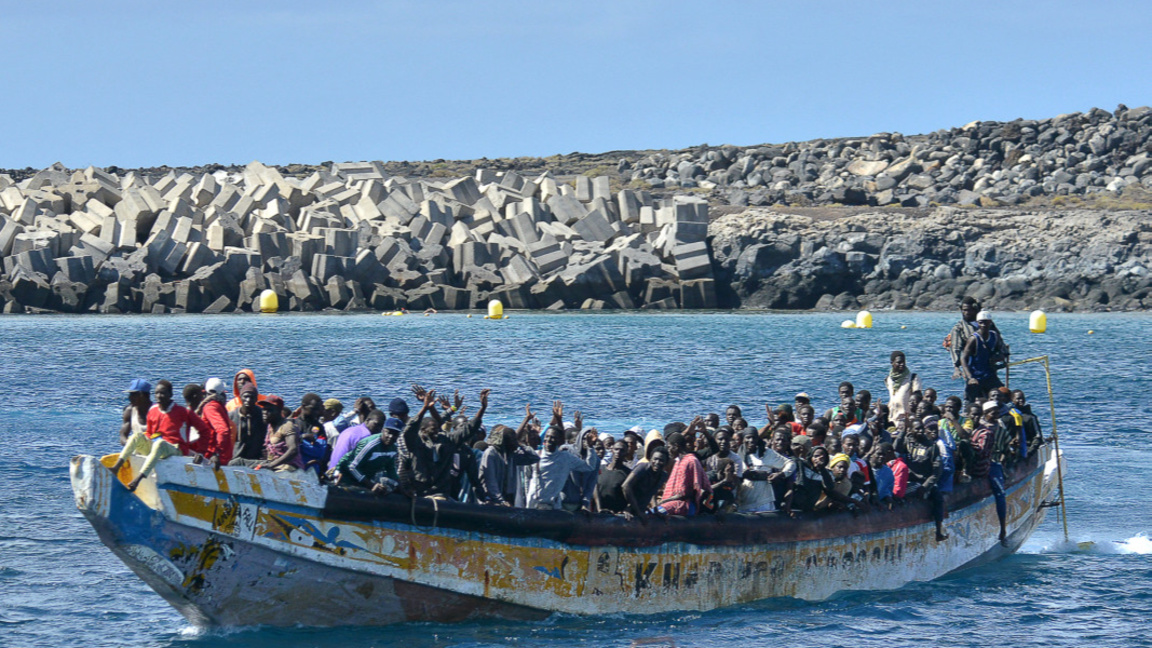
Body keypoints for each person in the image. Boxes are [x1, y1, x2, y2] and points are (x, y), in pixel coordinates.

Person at [111, 379, 214, 491]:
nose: (159, 396)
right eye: (157, 393)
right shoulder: (153, 411)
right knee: (136, 436)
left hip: (176, 449)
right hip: (157, 448)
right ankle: (116, 468)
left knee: (160, 444)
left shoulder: (183, 412)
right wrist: (144, 442)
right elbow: (150, 433)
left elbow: (204, 431)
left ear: (170, 394)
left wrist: (201, 451)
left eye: (163, 393)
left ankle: (138, 479)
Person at [527, 421, 597, 510]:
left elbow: (589, 466)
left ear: (559, 440)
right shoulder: (535, 456)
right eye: (547, 437)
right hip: (534, 505)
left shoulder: (566, 458)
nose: (548, 440)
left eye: (553, 437)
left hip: (554, 507)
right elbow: (527, 479)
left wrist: (590, 447)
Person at [479, 406, 541, 506]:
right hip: (491, 500)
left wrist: (520, 444)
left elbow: (534, 457)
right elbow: (491, 481)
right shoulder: (491, 453)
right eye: (512, 441)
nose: (514, 443)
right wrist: (500, 501)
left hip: (508, 498)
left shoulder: (512, 455)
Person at [897, 421, 947, 542]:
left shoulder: (931, 447)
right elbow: (895, 448)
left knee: (938, 499)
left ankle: (939, 530)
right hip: (907, 479)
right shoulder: (908, 442)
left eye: (921, 429)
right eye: (916, 429)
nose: (919, 432)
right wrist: (902, 432)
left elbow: (937, 472)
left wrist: (925, 487)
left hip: (924, 481)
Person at [946, 296, 1009, 384]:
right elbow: (955, 348)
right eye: (964, 310)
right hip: (972, 369)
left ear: (976, 309)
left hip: (989, 367)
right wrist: (957, 367)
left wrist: (1001, 355)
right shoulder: (959, 328)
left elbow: (999, 342)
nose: (966, 313)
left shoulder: (988, 324)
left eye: (969, 310)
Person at [971, 400, 1008, 545]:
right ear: (986, 414)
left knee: (1000, 493)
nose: (996, 415)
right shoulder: (977, 426)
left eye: (998, 412)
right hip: (981, 462)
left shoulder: (1000, 428)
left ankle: (1003, 529)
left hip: (994, 463)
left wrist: (1003, 461)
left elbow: (1007, 447)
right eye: (993, 413)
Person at [334, 417, 401, 494]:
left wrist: (402, 489)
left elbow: (391, 469)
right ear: (382, 430)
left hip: (363, 477)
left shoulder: (393, 448)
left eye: (395, 434)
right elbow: (352, 467)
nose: (391, 436)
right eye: (388, 432)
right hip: (345, 474)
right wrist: (371, 485)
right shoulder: (371, 444)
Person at [655, 433, 712, 516]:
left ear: (676, 446)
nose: (668, 451)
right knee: (652, 512)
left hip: (685, 505)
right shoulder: (678, 462)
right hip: (674, 502)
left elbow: (686, 493)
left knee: (654, 514)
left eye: (669, 447)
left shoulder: (690, 461)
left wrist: (664, 501)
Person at [960, 311, 1007, 405]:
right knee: (973, 403)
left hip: (990, 375)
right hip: (976, 377)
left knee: (1004, 395)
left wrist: (997, 358)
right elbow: (963, 359)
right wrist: (970, 377)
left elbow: (1002, 352)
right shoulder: (974, 339)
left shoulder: (994, 336)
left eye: (986, 322)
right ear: (977, 323)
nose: (983, 325)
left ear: (990, 322)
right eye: (981, 322)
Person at [193, 378, 234, 467]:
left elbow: (223, 431)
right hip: (222, 457)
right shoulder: (219, 406)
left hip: (211, 459)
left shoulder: (210, 407)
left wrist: (216, 454)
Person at [622, 446, 670, 520]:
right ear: (650, 459)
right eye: (655, 459)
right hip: (627, 508)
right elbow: (625, 486)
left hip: (641, 509)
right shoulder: (643, 468)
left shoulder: (663, 476)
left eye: (661, 460)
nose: (657, 462)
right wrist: (638, 512)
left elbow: (653, 492)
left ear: (666, 463)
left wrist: (655, 510)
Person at [594, 441, 632, 514]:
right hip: (599, 514)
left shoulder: (628, 474)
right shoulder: (600, 469)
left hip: (617, 516)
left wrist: (628, 509)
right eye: (616, 449)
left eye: (622, 450)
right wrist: (599, 508)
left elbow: (635, 495)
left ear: (626, 453)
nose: (618, 452)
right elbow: (594, 487)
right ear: (612, 450)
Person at [229, 384, 266, 461]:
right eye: (245, 397)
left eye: (251, 397)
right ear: (240, 398)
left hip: (256, 459)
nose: (248, 400)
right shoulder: (232, 416)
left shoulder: (262, 415)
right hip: (235, 458)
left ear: (256, 399)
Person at [885, 351, 923, 424]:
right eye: (899, 362)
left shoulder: (913, 378)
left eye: (903, 362)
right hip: (892, 420)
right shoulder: (889, 379)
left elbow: (918, 398)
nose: (902, 364)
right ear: (892, 363)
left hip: (906, 420)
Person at [119, 379, 152, 446]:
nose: (130, 397)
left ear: (142, 395)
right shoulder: (129, 411)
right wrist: (129, 445)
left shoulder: (157, 410)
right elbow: (123, 435)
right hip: (137, 450)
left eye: (133, 395)